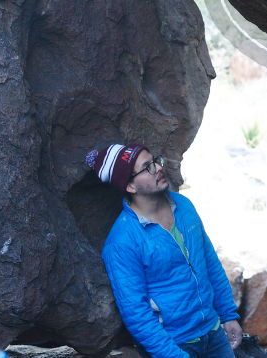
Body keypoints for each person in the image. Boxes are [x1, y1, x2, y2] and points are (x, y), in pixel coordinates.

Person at [87, 143, 243, 358]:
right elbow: (136, 312)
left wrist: (228, 315)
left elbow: (209, 262)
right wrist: (173, 355)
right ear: (130, 186)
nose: (158, 168)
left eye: (155, 161)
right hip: (174, 344)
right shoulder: (122, 242)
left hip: (214, 331)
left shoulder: (184, 206)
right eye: (147, 167)